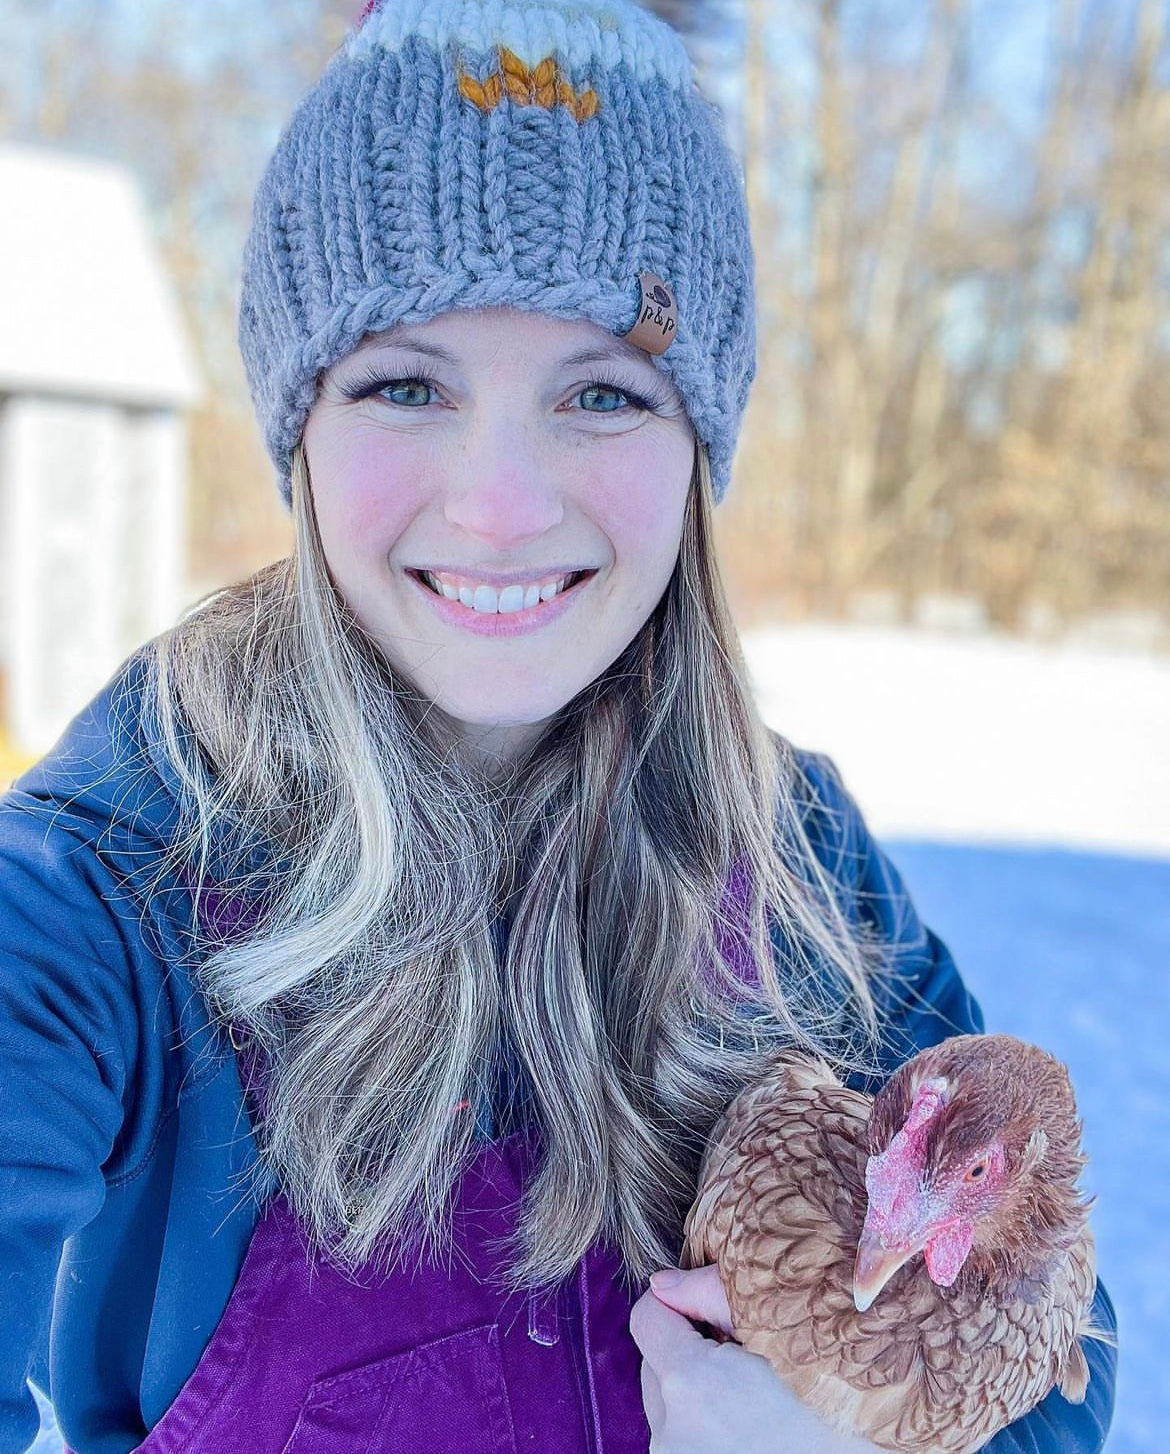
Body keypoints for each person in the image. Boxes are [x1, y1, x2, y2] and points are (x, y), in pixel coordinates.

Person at [0, 1, 1117, 1450]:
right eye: (405, 383)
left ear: (694, 440)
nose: (501, 504)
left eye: (602, 391)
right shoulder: (97, 900)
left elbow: (1047, 1348)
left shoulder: (797, 860)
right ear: (299, 427)